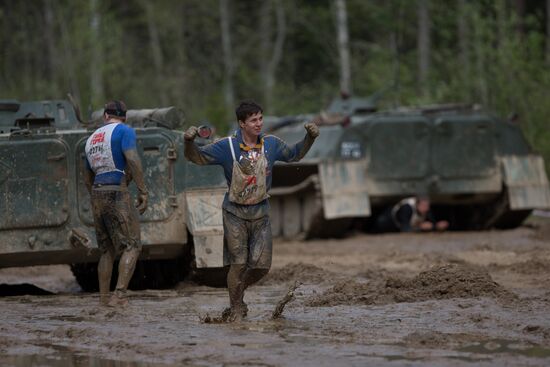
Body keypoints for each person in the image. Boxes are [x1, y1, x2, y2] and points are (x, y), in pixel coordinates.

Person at [184, 100, 319, 321]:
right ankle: (236, 307)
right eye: (253, 120)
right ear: (241, 123)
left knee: (262, 267)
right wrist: (188, 142)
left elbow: (295, 154)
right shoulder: (226, 146)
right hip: (234, 213)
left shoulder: (271, 144)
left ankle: (236, 292)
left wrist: (310, 138)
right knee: (238, 263)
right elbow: (196, 157)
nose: (259, 123)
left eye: (260, 119)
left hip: (261, 213)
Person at [84, 100, 148, 307]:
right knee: (132, 245)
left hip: (97, 193)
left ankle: (103, 299)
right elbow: (132, 158)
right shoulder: (125, 130)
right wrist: (142, 190)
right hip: (117, 193)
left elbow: (87, 178)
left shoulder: (91, 139)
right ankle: (119, 295)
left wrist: (96, 195)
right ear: (125, 117)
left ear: (105, 116)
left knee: (107, 250)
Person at [375, 196, 449, 233]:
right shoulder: (407, 208)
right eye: (423, 206)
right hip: (388, 221)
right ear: (417, 204)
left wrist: (437, 226)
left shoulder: (426, 211)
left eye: (427, 206)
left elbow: (431, 223)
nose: (426, 209)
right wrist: (421, 227)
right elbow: (405, 229)